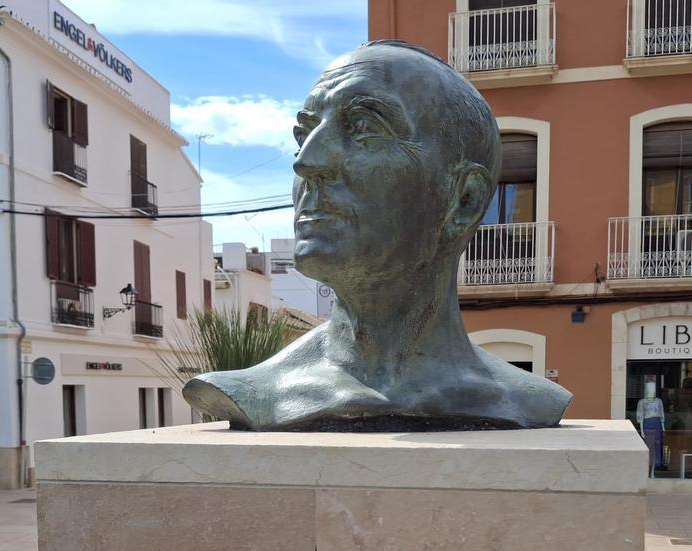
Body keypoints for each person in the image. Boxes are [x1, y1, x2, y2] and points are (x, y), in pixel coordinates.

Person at [183, 40, 572, 431]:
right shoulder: (254, 393)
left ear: (464, 200)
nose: (306, 162)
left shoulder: (525, 401)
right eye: (304, 135)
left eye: (366, 128)